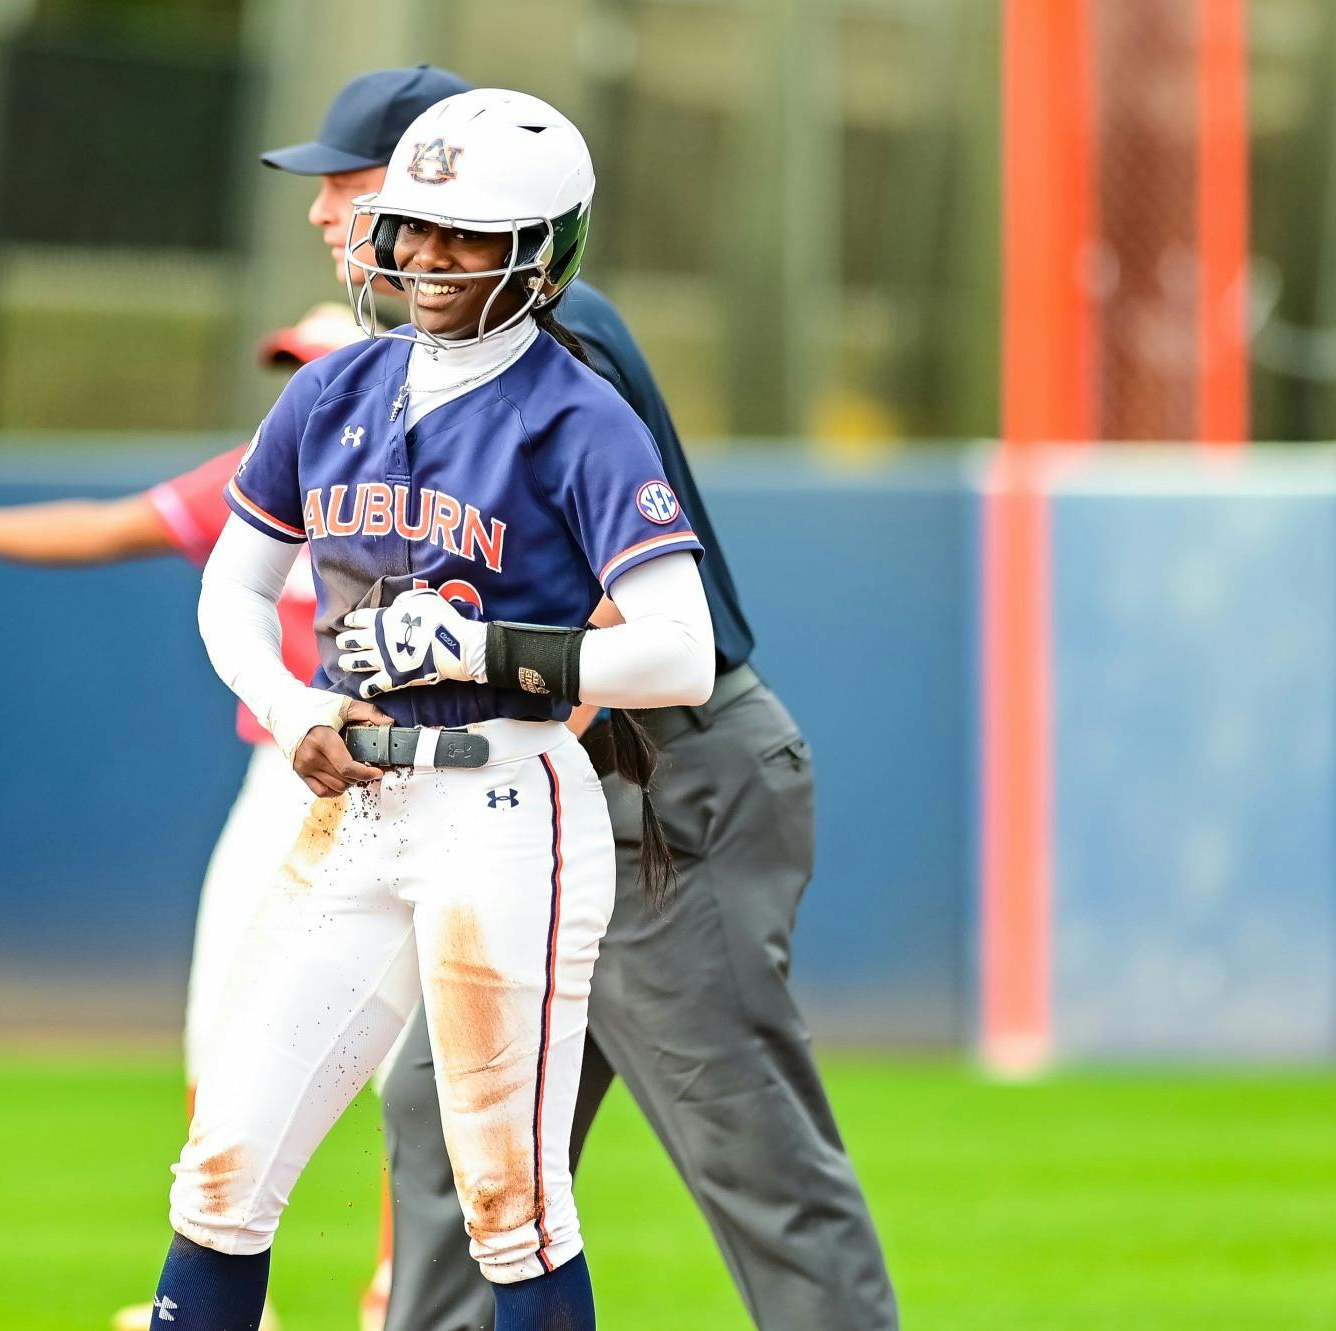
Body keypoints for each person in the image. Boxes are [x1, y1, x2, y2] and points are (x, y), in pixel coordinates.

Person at [261, 69, 899, 1330]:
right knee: (439, 1128)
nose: (329, 211)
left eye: (350, 182)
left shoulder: (549, 334)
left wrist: (481, 706)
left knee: (745, 1148)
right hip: (543, 800)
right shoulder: (414, 360)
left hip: (660, 794)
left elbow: (624, 615)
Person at [158, 88, 713, 1331]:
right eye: (413, 225)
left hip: (509, 798)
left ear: (539, 249)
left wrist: (500, 646)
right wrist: (286, 698)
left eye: (467, 235)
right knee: (223, 1165)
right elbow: (231, 587)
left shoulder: (579, 414)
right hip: (358, 796)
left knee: (509, 1199)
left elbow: (678, 651)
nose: (425, 256)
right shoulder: (331, 388)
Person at [0, 303, 368, 1331]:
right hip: (283, 775)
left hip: (407, 776)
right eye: (293, 367)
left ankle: (404, 1291)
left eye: (320, 365)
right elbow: (115, 523)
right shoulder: (265, 470)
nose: (302, 384)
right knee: (220, 1026)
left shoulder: (451, 476)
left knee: (415, 1065)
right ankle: (224, 1303)